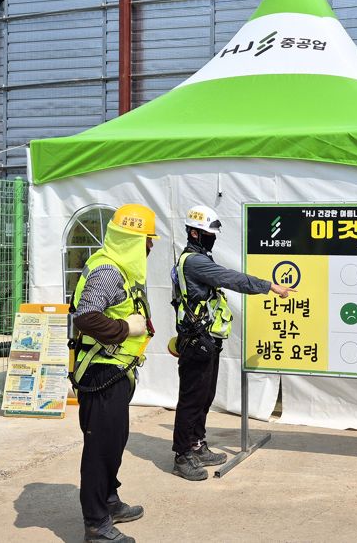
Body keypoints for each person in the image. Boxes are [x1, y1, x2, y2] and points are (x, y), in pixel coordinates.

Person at [170, 205, 293, 480]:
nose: (212, 238)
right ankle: (182, 455)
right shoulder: (193, 262)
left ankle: (197, 444)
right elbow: (230, 278)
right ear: (194, 233)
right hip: (195, 341)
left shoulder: (199, 258)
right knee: (192, 399)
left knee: (205, 396)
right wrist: (268, 286)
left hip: (206, 339)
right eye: (207, 234)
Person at [70, 203, 159, 543]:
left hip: (117, 372)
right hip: (101, 373)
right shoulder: (108, 271)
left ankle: (109, 500)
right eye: (148, 241)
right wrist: (127, 328)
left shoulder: (121, 270)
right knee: (100, 449)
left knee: (114, 442)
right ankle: (96, 524)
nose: (150, 248)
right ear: (134, 241)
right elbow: (86, 316)